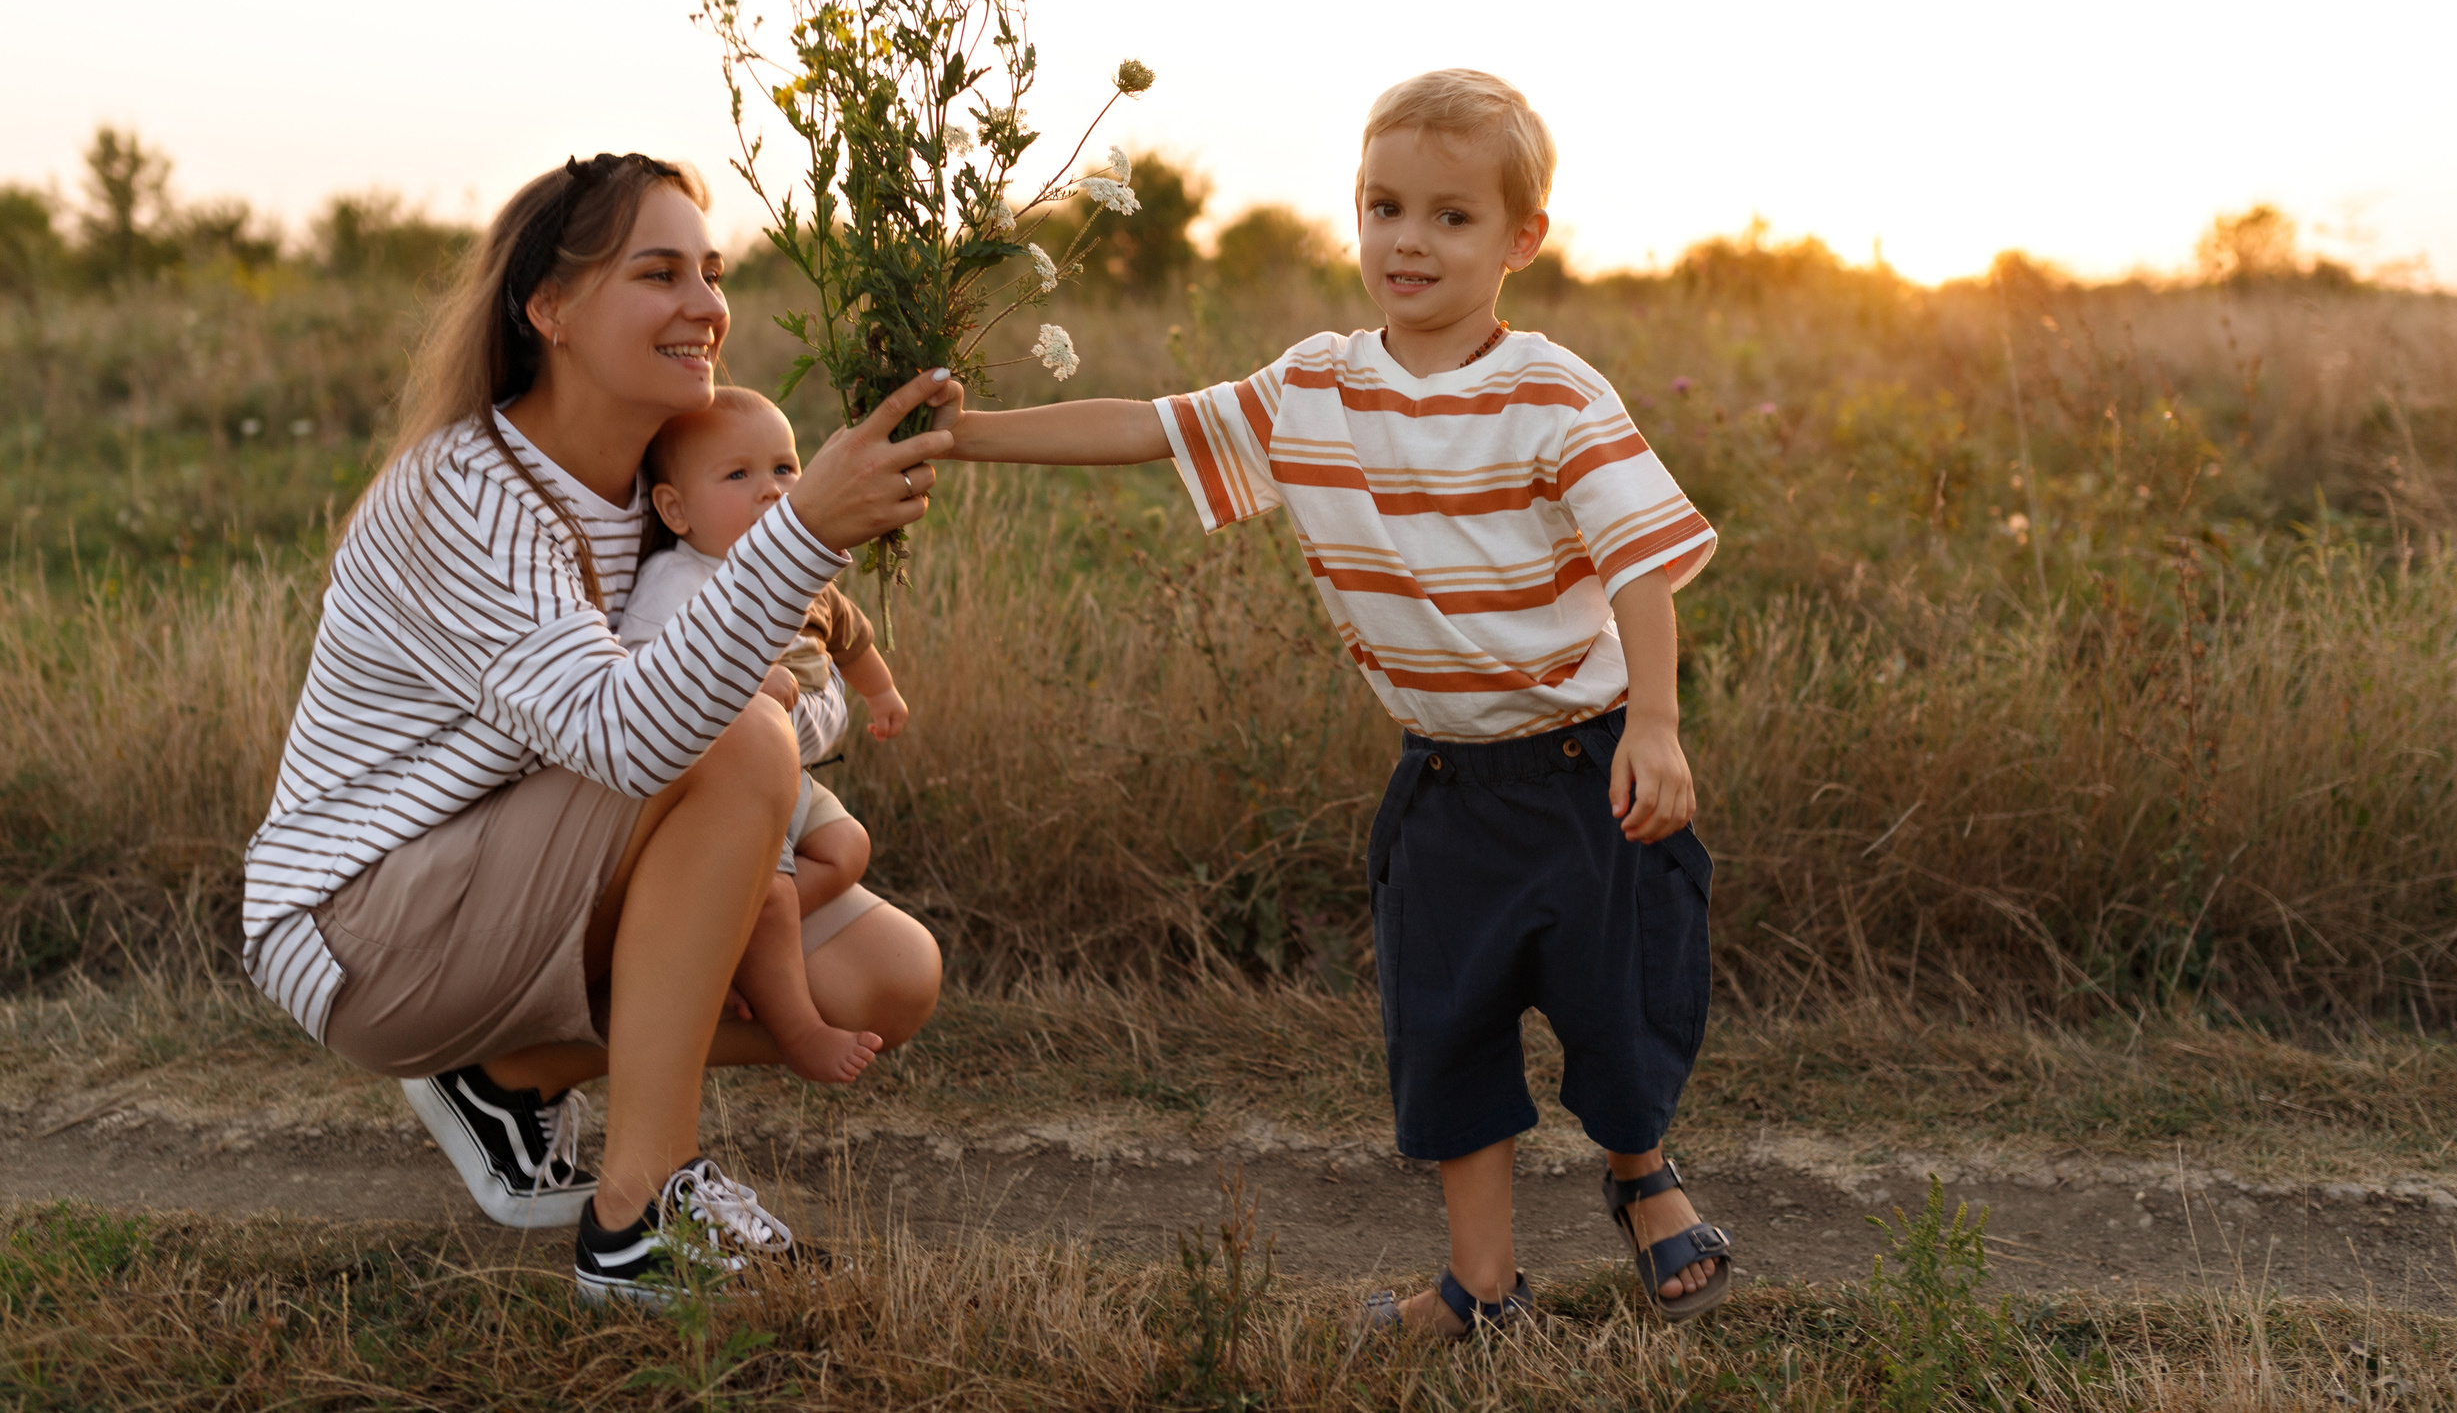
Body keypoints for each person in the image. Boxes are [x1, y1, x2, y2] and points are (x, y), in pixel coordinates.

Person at [936, 72, 1731, 1333]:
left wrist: (1656, 725)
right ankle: (1481, 1288)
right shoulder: (1314, 389)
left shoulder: (1552, 393)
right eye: (1384, 206)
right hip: (1446, 784)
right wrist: (967, 434)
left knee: (1616, 1014)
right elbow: (1152, 424)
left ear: (1521, 240)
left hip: (1590, 772)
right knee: (1445, 1031)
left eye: (1451, 217)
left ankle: (1641, 1178)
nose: (1408, 239)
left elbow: (1638, 561)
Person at [240, 153, 951, 1304]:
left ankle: (513, 1072)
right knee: (733, 744)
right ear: (550, 309)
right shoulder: (466, 493)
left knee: (886, 979)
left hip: (526, 879)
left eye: (712, 274)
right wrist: (803, 529)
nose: (707, 306)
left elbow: (788, 701)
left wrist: (795, 646)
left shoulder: (655, 494)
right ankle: (638, 1217)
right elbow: (637, 739)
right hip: (365, 921)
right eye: (659, 272)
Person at [621, 386, 909, 1084]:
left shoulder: (803, 568)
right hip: (728, 779)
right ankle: (799, 1025)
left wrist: (881, 689)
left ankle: (732, 940)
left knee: (847, 846)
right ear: (674, 509)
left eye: (785, 468)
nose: (771, 491)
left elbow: (848, 635)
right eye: (738, 475)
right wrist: (745, 689)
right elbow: (643, 673)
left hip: (794, 774)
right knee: (775, 892)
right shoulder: (676, 579)